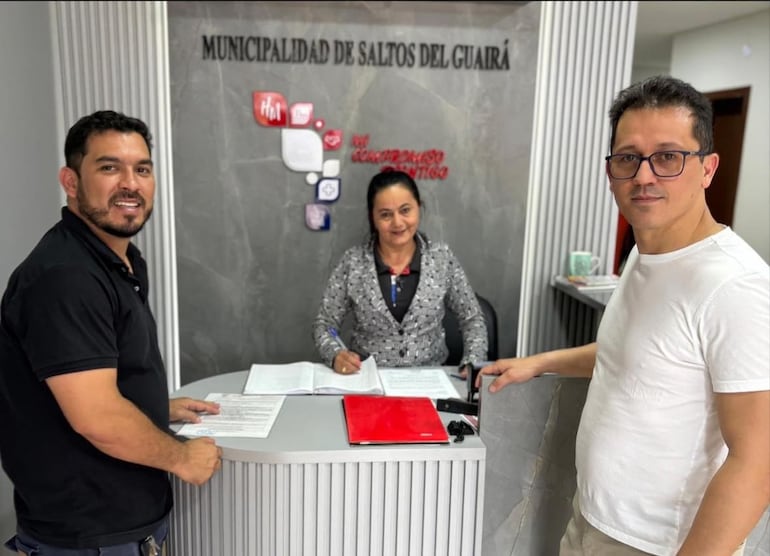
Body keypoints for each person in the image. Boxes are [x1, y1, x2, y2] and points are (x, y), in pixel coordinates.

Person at [480, 75, 769, 555]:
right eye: (628, 157)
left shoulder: (735, 285)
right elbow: (630, 352)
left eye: (669, 157)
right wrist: (540, 361)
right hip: (593, 519)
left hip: (658, 544)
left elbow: (756, 462)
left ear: (707, 169)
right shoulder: (644, 252)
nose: (645, 175)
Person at [0, 110, 224, 555]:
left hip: (116, 522)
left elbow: (95, 377)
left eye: (142, 168)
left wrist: (154, 405)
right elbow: (97, 416)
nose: (130, 183)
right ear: (70, 180)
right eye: (109, 167)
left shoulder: (117, 259)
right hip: (90, 535)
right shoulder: (65, 276)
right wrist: (181, 457)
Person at [313, 170, 488, 374]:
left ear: (419, 208)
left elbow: (472, 318)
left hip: (430, 382)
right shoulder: (353, 262)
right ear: (373, 217)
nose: (397, 223)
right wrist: (335, 354)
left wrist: (472, 363)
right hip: (368, 382)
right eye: (386, 214)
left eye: (405, 210)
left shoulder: (442, 258)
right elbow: (325, 324)